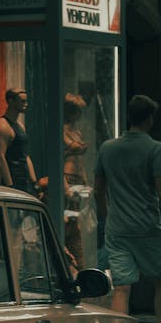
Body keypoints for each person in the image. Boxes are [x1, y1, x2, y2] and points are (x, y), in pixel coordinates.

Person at [94, 94, 161, 323]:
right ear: (149, 119)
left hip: (118, 229)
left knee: (122, 288)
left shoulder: (107, 148)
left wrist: (107, 217)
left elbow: (99, 189)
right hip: (148, 227)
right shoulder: (155, 149)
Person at [0, 88, 40, 195]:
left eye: (26, 101)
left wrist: (34, 183)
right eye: (22, 101)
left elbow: (25, 155)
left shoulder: (20, 126)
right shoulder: (3, 125)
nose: (26, 104)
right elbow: (0, 157)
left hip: (24, 179)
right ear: (11, 101)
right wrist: (10, 184)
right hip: (13, 178)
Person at [63, 93, 89, 269]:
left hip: (78, 178)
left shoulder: (76, 132)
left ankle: (78, 267)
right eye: (77, 111)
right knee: (67, 222)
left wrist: (86, 182)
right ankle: (68, 264)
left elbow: (81, 161)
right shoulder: (62, 130)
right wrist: (64, 185)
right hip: (67, 178)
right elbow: (58, 158)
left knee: (77, 224)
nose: (80, 115)